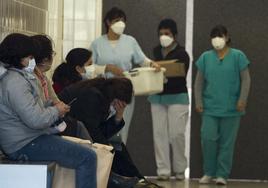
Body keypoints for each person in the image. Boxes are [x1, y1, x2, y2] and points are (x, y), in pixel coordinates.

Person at [52, 48, 163, 188]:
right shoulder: (93, 96)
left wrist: (118, 115)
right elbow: (95, 132)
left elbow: (99, 130)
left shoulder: (100, 90)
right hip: (67, 130)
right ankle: (134, 181)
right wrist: (109, 149)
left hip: (77, 129)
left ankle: (137, 180)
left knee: (117, 146)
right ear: (117, 98)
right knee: (113, 150)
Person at [0, 33, 97, 188]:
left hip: (28, 138)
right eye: (30, 56)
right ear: (19, 57)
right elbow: (35, 120)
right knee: (87, 157)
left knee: (86, 153)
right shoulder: (15, 82)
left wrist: (50, 106)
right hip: (23, 144)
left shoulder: (20, 78)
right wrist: (56, 111)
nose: (33, 60)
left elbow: (31, 111)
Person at [90, 7, 160, 144]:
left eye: (123, 20)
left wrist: (153, 65)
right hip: (103, 91)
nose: (120, 23)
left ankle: (119, 162)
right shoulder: (97, 43)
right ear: (108, 22)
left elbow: (143, 60)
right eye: (117, 20)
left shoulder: (130, 41)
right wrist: (106, 68)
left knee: (121, 130)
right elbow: (88, 68)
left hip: (124, 90)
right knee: (103, 128)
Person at [194, 25, 251, 185]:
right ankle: (209, 172)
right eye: (214, 36)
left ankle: (222, 175)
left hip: (232, 108)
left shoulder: (238, 56)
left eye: (220, 36)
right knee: (208, 139)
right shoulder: (205, 57)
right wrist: (198, 101)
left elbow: (246, 80)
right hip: (210, 108)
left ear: (227, 37)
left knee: (227, 143)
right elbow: (198, 82)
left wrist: (242, 99)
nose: (217, 39)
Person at [148, 19, 190, 181]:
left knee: (176, 134)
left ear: (174, 35)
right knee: (159, 135)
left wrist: (164, 75)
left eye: (167, 34)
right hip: (157, 97)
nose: (163, 37)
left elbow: (180, 75)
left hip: (177, 98)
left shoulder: (182, 53)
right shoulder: (155, 51)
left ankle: (180, 170)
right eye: (161, 34)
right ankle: (163, 171)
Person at [31, 35, 91, 140]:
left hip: (48, 123)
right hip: (39, 131)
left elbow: (56, 101)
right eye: (89, 64)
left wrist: (60, 107)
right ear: (45, 59)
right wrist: (58, 109)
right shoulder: (31, 79)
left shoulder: (43, 78)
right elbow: (40, 113)